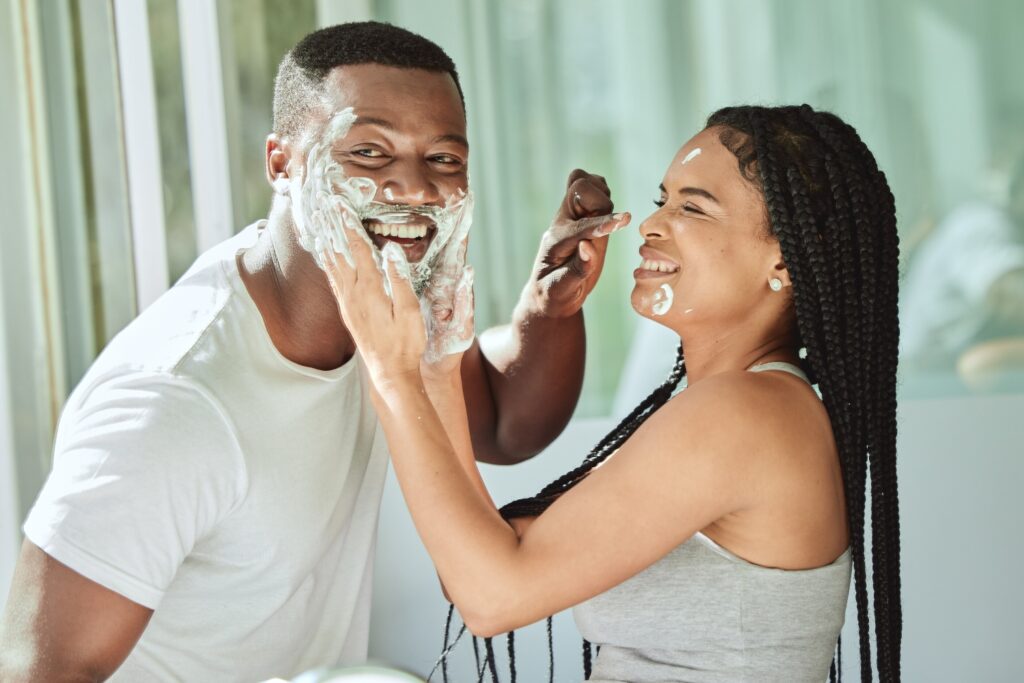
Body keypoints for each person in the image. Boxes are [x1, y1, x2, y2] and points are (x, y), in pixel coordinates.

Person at [0, 22, 628, 682]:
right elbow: (34, 671)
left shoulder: (382, 313)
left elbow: (503, 421)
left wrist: (550, 309)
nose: (412, 188)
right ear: (281, 162)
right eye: (369, 153)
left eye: (443, 160)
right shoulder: (173, 401)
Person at [326, 104, 902, 682]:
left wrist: (390, 372)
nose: (652, 225)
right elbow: (476, 568)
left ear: (785, 258)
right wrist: (438, 363)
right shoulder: (747, 406)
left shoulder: (745, 415)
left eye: (694, 208)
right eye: (663, 200)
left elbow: (491, 598)